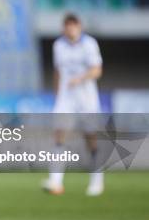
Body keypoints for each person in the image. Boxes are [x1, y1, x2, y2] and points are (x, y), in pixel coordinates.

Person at [43, 13, 104, 196]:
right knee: (59, 134)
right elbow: (58, 71)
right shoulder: (59, 45)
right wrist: (57, 94)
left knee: (90, 137)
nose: (70, 29)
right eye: (67, 25)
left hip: (86, 98)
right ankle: (55, 181)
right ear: (64, 28)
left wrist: (80, 78)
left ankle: (97, 179)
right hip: (66, 98)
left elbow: (96, 70)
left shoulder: (89, 44)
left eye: (73, 25)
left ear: (79, 27)